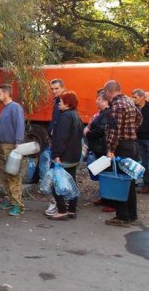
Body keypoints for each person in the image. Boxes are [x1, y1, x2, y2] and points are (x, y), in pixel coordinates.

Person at [104, 80, 142, 227]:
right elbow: (139, 118)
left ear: (108, 92)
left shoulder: (116, 106)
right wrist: (131, 130)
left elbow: (114, 130)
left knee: (119, 181)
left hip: (121, 147)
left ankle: (122, 215)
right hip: (131, 144)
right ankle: (132, 214)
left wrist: (110, 150)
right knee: (130, 180)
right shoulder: (129, 101)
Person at [48, 90, 83, 221]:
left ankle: (62, 210)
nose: (59, 104)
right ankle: (72, 210)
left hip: (64, 157)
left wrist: (57, 155)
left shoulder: (65, 117)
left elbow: (61, 138)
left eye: (61, 102)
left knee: (56, 183)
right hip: (74, 156)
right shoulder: (76, 116)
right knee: (72, 182)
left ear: (67, 103)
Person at [0, 83, 26, 217]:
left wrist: (18, 143)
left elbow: (20, 125)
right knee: (4, 176)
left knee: (13, 176)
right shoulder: (5, 108)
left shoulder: (15, 108)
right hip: (2, 146)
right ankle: (10, 199)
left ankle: (17, 205)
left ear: (6, 94)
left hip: (11, 146)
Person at [83, 89, 114, 213]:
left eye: (99, 99)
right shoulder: (102, 113)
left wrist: (88, 133)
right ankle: (105, 197)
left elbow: (101, 130)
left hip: (103, 148)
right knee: (102, 174)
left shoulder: (106, 113)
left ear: (106, 101)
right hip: (99, 148)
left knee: (107, 174)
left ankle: (111, 201)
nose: (96, 101)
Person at [44, 78, 65, 217]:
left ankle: (58, 204)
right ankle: (60, 203)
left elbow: (61, 124)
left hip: (59, 144)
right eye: (52, 89)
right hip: (55, 141)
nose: (54, 91)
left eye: (56, 88)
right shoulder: (56, 101)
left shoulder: (63, 102)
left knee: (57, 175)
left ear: (63, 87)